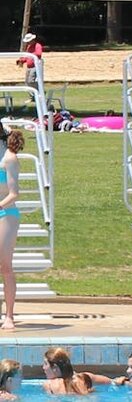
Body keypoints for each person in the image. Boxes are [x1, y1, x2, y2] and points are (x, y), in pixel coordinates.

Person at [0, 125, 25, 330]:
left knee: (5, 266)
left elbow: (14, 193)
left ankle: (9, 315)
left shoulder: (9, 158)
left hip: (5, 214)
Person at [43, 347, 110, 394]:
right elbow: (112, 382)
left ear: (55, 368)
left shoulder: (49, 385)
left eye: (45, 364)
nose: (43, 367)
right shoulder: (85, 377)